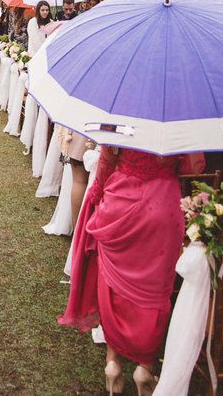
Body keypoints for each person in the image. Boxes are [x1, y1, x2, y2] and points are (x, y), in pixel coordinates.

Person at [60, 146, 204, 395]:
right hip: (162, 207)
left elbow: (106, 160)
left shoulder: (124, 111)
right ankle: (144, 368)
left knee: (112, 287)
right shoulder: (177, 117)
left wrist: (95, 195)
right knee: (155, 292)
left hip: (120, 202)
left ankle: (113, 363)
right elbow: (193, 166)